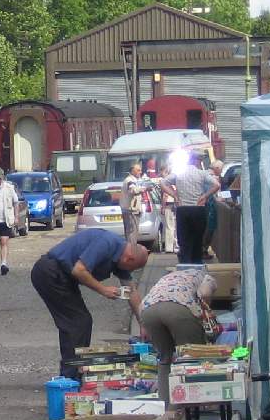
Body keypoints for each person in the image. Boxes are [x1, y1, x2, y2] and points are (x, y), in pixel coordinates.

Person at [30, 228, 148, 380]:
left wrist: (143, 323)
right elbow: (79, 270)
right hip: (50, 273)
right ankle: (70, 376)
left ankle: (75, 370)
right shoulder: (106, 243)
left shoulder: (121, 256)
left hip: (62, 277)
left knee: (79, 322)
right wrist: (103, 289)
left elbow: (131, 291)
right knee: (78, 322)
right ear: (129, 259)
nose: (129, 272)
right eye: (132, 268)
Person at [139, 268, 218, 407]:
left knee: (164, 359)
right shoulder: (204, 275)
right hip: (179, 308)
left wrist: (144, 326)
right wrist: (204, 311)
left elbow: (143, 304)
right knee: (191, 359)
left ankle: (167, 410)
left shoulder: (165, 278)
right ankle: (188, 414)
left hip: (148, 312)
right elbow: (205, 293)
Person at [162, 154, 220, 264]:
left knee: (184, 240)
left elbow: (163, 183)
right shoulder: (202, 173)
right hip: (198, 209)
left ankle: (185, 264)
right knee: (197, 239)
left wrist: (174, 195)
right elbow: (216, 185)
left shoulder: (178, 173)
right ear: (197, 162)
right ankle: (196, 264)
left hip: (183, 209)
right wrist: (205, 196)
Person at [202, 162, 224, 259]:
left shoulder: (203, 174)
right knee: (208, 229)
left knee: (204, 228)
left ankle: (203, 250)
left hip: (202, 205)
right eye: (221, 169)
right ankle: (203, 250)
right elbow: (214, 194)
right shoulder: (212, 177)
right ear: (217, 168)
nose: (221, 172)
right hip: (208, 206)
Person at [122, 162, 148, 244]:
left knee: (134, 233)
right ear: (133, 171)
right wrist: (144, 188)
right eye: (138, 170)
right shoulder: (130, 180)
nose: (140, 172)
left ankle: (132, 250)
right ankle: (132, 252)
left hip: (133, 210)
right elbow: (133, 190)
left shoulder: (134, 180)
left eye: (140, 170)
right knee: (131, 233)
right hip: (131, 211)